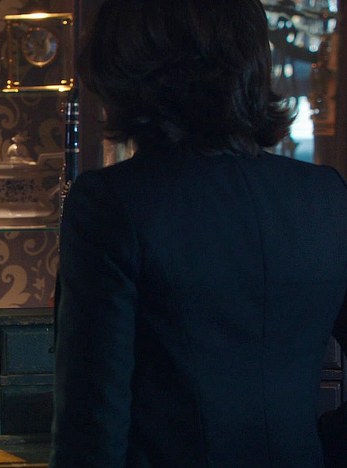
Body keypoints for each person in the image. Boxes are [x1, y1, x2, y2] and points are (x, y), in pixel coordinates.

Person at [50, 0, 347, 466]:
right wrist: (320, 445)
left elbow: (92, 423)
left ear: (126, 68)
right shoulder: (324, 196)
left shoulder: (112, 202)